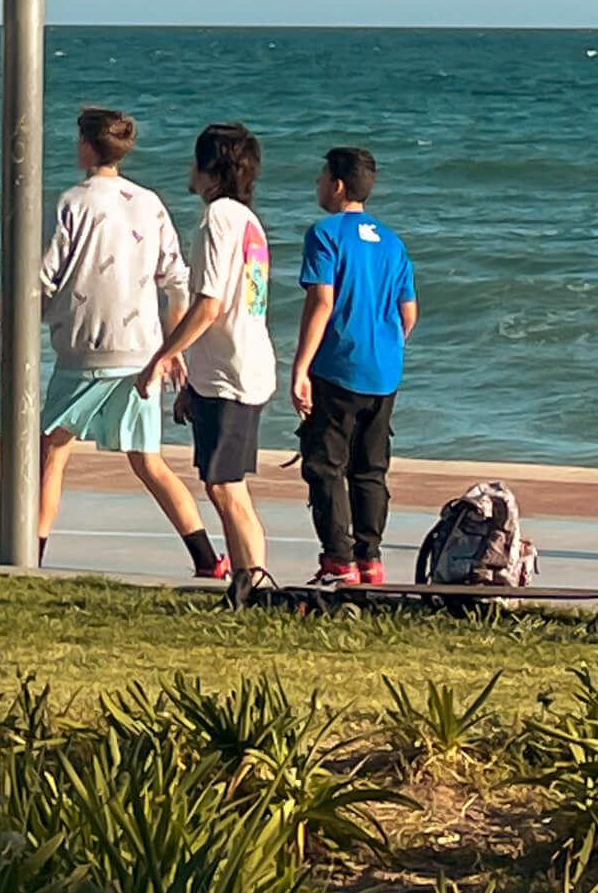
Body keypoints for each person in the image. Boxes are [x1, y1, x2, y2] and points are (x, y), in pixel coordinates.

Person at [35, 107, 225, 577]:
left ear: (87, 145)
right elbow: (176, 282)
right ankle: (206, 557)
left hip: (84, 350)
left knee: (52, 451)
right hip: (142, 352)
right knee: (147, 460)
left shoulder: (71, 202)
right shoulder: (149, 202)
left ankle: (30, 553)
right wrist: (171, 348)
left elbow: (43, 279)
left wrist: (9, 326)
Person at [136, 123, 274, 581]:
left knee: (227, 487)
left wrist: (162, 356)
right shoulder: (248, 221)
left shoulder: (218, 219)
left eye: (196, 161)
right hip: (236, 367)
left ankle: (254, 582)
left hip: (230, 372)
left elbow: (209, 304)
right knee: (221, 486)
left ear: (212, 170)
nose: (189, 169)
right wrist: (191, 382)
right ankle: (244, 582)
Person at [289, 146, 417, 586]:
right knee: (370, 469)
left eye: (322, 177)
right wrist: (388, 347)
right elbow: (409, 312)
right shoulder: (392, 242)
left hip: (338, 366)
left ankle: (338, 560)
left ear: (338, 185)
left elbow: (321, 302)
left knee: (325, 465)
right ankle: (370, 559)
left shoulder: (324, 234)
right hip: (384, 372)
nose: (318, 184)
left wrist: (300, 367)